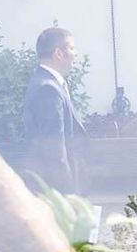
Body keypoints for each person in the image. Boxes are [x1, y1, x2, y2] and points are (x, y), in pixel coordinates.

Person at [22, 27, 88, 195]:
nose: (75, 54)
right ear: (59, 53)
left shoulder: (50, 84)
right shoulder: (48, 89)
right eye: (71, 48)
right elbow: (54, 149)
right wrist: (68, 194)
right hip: (55, 188)